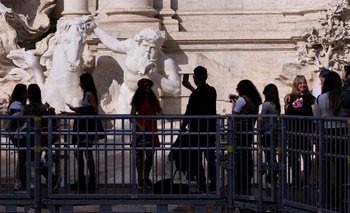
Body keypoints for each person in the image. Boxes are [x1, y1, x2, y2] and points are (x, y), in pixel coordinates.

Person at [86, 16, 181, 114]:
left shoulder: (165, 61)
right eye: (145, 46)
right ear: (139, 43)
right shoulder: (131, 46)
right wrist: (95, 28)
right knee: (124, 127)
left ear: (158, 47)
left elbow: (176, 89)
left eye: (152, 48)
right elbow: (113, 44)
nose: (148, 51)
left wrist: (155, 76)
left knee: (144, 128)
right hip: (125, 95)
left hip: (147, 101)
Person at [180, 66, 217, 192]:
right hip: (210, 129)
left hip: (196, 130)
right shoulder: (212, 91)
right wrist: (191, 88)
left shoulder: (195, 95)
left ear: (195, 78)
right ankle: (214, 184)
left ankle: (201, 184)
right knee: (211, 157)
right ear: (206, 77)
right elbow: (201, 95)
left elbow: (189, 112)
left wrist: (182, 127)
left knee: (197, 158)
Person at [316, 70, 346, 211]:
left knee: (326, 169)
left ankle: (326, 199)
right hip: (342, 133)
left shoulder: (321, 98)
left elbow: (316, 117)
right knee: (341, 169)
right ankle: (339, 199)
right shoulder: (342, 98)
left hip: (326, 133)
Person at [22, 84, 61, 192]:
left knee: (33, 161)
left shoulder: (28, 108)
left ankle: (52, 179)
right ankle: (51, 179)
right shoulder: (42, 107)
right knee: (36, 160)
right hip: (41, 140)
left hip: (32, 140)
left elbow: (24, 120)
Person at [67, 73, 100, 191]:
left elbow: (94, 110)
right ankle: (84, 180)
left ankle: (87, 180)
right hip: (85, 128)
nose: (79, 84)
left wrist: (77, 110)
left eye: (81, 81)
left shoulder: (89, 94)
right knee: (82, 153)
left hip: (86, 129)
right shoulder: (88, 94)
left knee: (84, 153)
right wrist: (72, 112)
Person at [230, 79, 262, 193]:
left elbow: (235, 114)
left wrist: (234, 103)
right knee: (246, 156)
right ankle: (246, 181)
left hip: (238, 133)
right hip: (248, 132)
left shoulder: (242, 99)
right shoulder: (254, 101)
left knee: (238, 158)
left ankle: (238, 185)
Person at [130, 78, 163, 188]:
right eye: (145, 86)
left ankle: (146, 177)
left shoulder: (153, 100)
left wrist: (158, 116)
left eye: (148, 86)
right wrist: (140, 126)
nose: (147, 88)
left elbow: (160, 111)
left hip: (151, 128)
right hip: (141, 128)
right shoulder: (137, 100)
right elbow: (132, 116)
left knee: (149, 155)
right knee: (139, 154)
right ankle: (140, 179)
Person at [284, 75, 315, 187]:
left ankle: (305, 179)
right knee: (293, 158)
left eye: (304, 83)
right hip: (293, 133)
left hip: (305, 133)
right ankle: (295, 179)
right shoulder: (290, 98)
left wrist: (313, 133)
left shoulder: (311, 98)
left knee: (306, 157)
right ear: (296, 85)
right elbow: (287, 113)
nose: (302, 85)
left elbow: (314, 115)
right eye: (300, 83)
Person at [7, 83, 27, 192]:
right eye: (25, 91)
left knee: (23, 158)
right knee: (23, 158)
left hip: (19, 134)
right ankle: (20, 183)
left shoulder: (17, 103)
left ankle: (20, 182)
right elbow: (15, 119)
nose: (27, 93)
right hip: (18, 135)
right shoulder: (16, 104)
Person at [260, 83, 281, 186]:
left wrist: (259, 131)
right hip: (275, 134)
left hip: (267, 134)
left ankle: (271, 179)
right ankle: (273, 178)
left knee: (269, 158)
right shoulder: (276, 105)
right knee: (272, 157)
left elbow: (261, 118)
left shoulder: (266, 104)